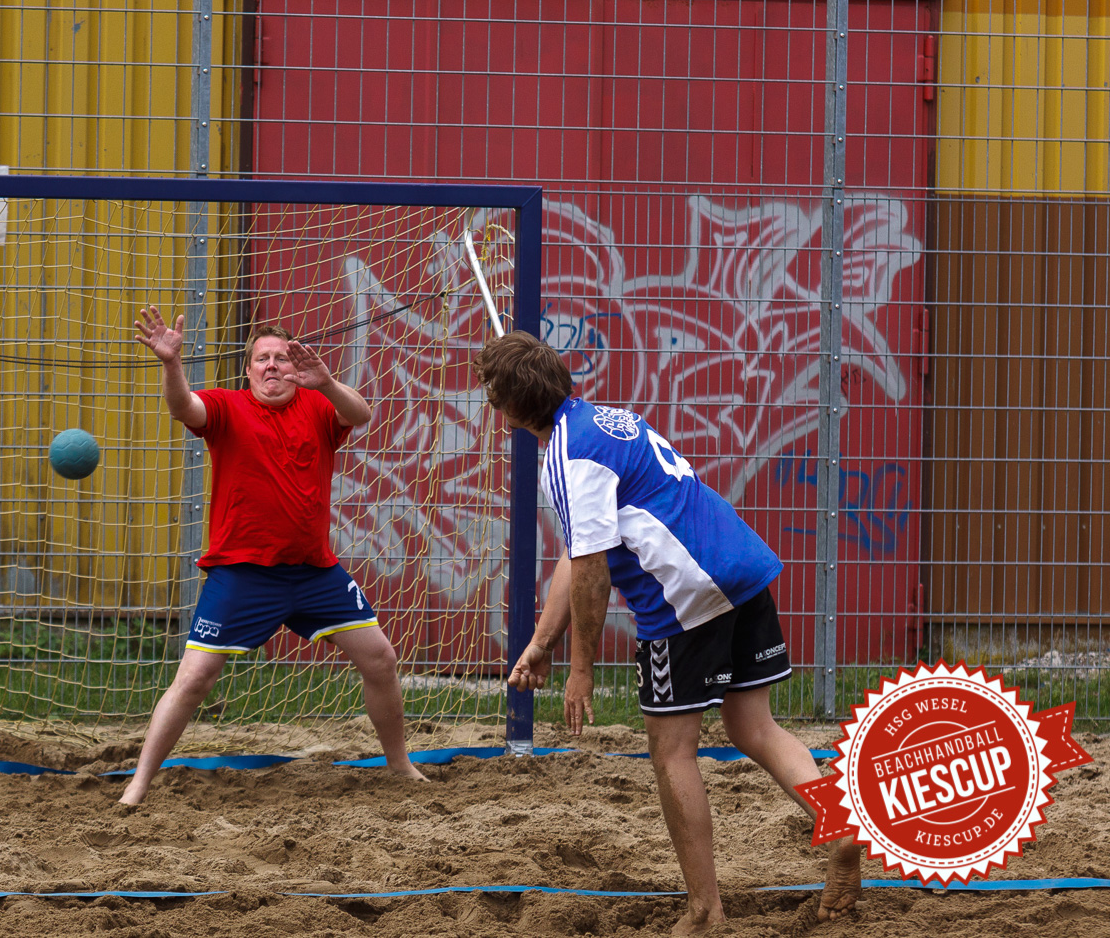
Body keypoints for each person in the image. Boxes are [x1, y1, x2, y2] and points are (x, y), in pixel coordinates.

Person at [472, 330, 861, 934]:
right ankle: (838, 827)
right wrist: (541, 642)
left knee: (672, 753)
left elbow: (593, 571)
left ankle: (704, 911)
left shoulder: (567, 458)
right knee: (754, 725)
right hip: (743, 567)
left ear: (511, 412)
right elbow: (577, 554)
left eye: (493, 398)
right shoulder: (605, 419)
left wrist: (581, 669)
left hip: (684, 599)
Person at [118, 306, 428, 806]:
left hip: (313, 573)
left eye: (282, 359)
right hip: (242, 575)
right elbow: (184, 409)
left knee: (381, 660)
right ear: (248, 370)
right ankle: (138, 785)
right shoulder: (226, 407)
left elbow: (362, 414)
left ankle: (400, 765)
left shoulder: (319, 406)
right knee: (194, 678)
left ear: (296, 368)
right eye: (262, 359)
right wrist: (171, 364)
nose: (272, 367)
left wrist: (325, 382)